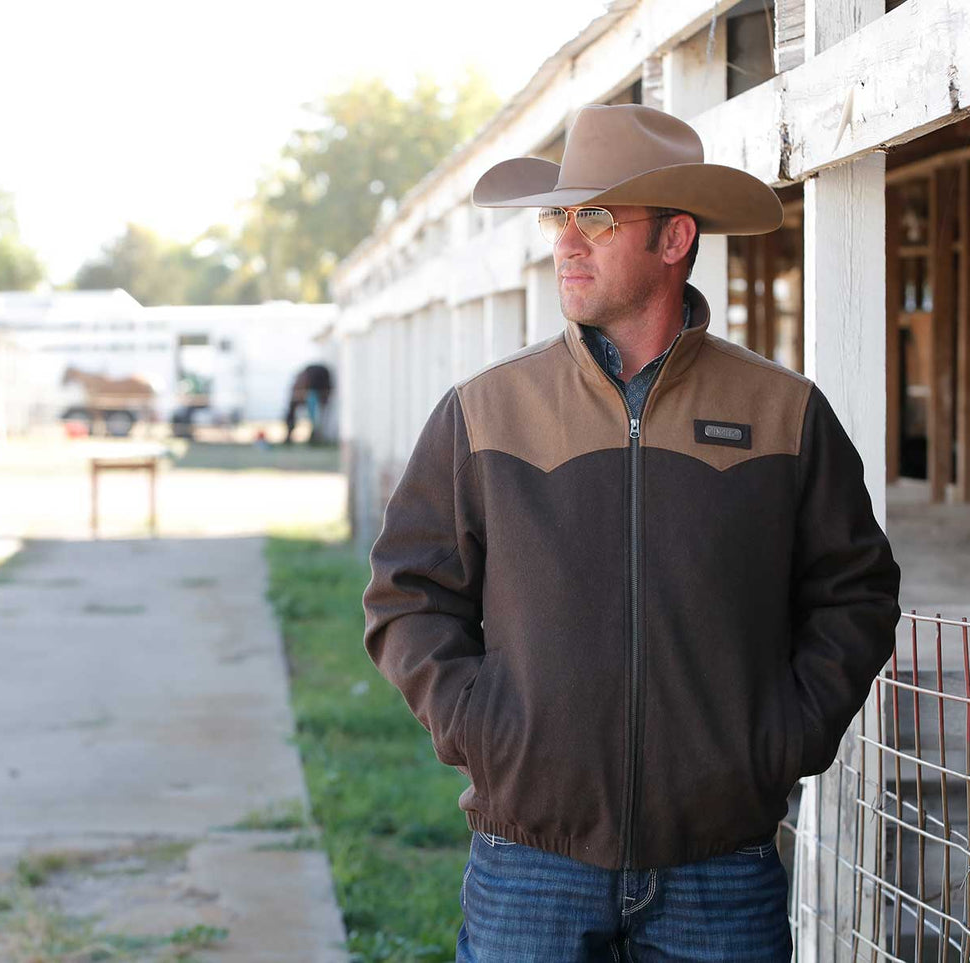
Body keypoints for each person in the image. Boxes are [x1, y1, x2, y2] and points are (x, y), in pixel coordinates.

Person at [360, 103, 901, 961]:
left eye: (598, 218)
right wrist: (487, 734)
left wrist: (779, 739)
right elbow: (406, 596)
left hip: (720, 861)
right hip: (531, 856)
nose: (566, 242)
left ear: (675, 238)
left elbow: (855, 594)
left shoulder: (782, 413)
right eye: (559, 217)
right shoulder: (483, 412)